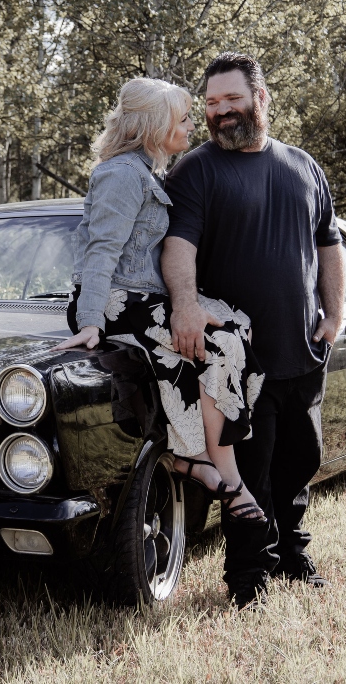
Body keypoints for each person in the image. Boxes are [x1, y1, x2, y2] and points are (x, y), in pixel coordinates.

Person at [162, 53, 345, 609]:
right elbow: (178, 247)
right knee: (250, 474)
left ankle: (292, 552)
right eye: (212, 104)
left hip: (303, 350)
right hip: (240, 362)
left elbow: (329, 247)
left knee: (301, 462)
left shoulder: (304, 166)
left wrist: (333, 316)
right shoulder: (196, 170)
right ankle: (248, 579)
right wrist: (186, 306)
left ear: (260, 99)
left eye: (231, 100)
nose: (220, 113)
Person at [54, 77, 266, 524]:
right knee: (221, 345)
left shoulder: (148, 170)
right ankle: (219, 470)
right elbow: (101, 251)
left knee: (239, 323)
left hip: (141, 297)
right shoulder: (121, 174)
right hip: (113, 303)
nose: (193, 125)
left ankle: (195, 455)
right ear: (155, 124)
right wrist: (90, 321)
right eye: (184, 117)